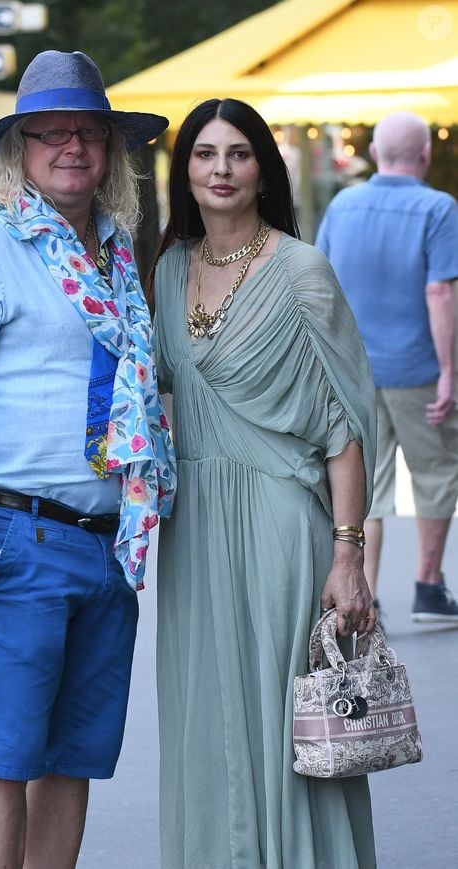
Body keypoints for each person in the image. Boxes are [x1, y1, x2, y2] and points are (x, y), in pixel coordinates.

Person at [0, 50, 175, 869]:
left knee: (73, 756)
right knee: (6, 753)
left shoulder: (118, 256)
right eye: (50, 133)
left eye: (87, 132)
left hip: (108, 543)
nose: (72, 147)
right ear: (19, 151)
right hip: (18, 538)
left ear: (111, 150)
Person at [149, 98, 377, 868]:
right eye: (205, 154)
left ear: (262, 169)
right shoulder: (168, 268)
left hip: (283, 519)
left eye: (239, 154)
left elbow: (345, 428)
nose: (221, 169)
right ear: (184, 171)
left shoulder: (302, 271)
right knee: (206, 710)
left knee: (288, 717)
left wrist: (349, 555)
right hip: (193, 526)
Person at [316, 111, 458, 623]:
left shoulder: (343, 204)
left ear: (375, 154)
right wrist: (450, 371)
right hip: (418, 371)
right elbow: (440, 292)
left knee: (365, 486)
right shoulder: (438, 209)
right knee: (436, 474)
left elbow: (319, 286)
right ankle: (428, 587)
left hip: (352, 373)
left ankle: (366, 596)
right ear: (423, 155)